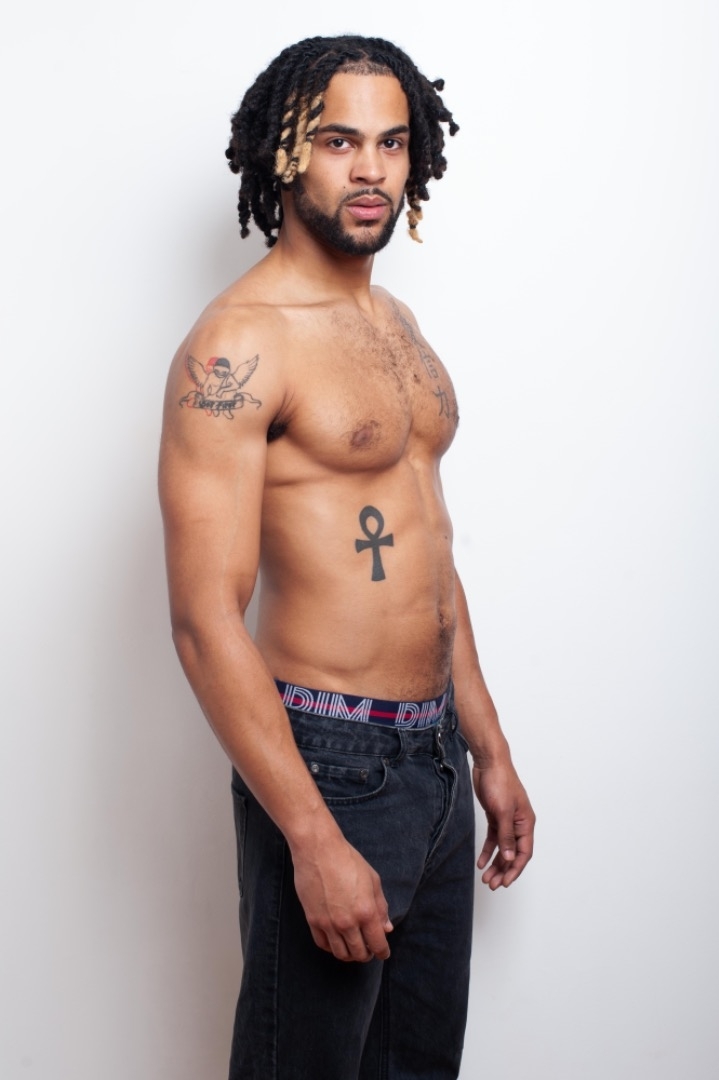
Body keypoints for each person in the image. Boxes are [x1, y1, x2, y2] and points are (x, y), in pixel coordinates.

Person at [159, 34, 535, 1080]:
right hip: (328, 763)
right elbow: (202, 620)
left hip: (434, 760)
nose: (370, 169)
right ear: (283, 154)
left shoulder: (395, 325)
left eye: (391, 142)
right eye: (337, 141)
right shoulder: (238, 344)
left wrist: (488, 749)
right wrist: (313, 837)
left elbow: (427, 554)